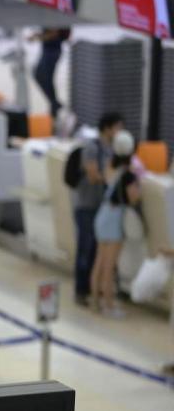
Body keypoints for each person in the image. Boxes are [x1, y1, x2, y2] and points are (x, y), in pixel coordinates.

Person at [73, 112, 124, 306]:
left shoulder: (111, 150)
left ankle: (96, 291)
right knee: (85, 249)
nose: (120, 132)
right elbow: (93, 175)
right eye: (118, 127)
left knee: (96, 252)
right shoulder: (92, 148)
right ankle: (81, 290)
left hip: (101, 207)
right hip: (86, 204)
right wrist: (113, 179)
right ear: (108, 128)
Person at [91, 157, 141, 318]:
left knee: (99, 263)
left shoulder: (112, 172)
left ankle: (96, 303)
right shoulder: (129, 176)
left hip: (102, 216)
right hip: (114, 221)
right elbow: (133, 197)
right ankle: (109, 306)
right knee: (109, 268)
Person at [31, 27, 70, 119]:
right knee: (43, 77)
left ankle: (54, 104)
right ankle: (54, 104)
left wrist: (38, 37)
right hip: (48, 49)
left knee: (44, 77)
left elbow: (53, 34)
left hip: (52, 50)